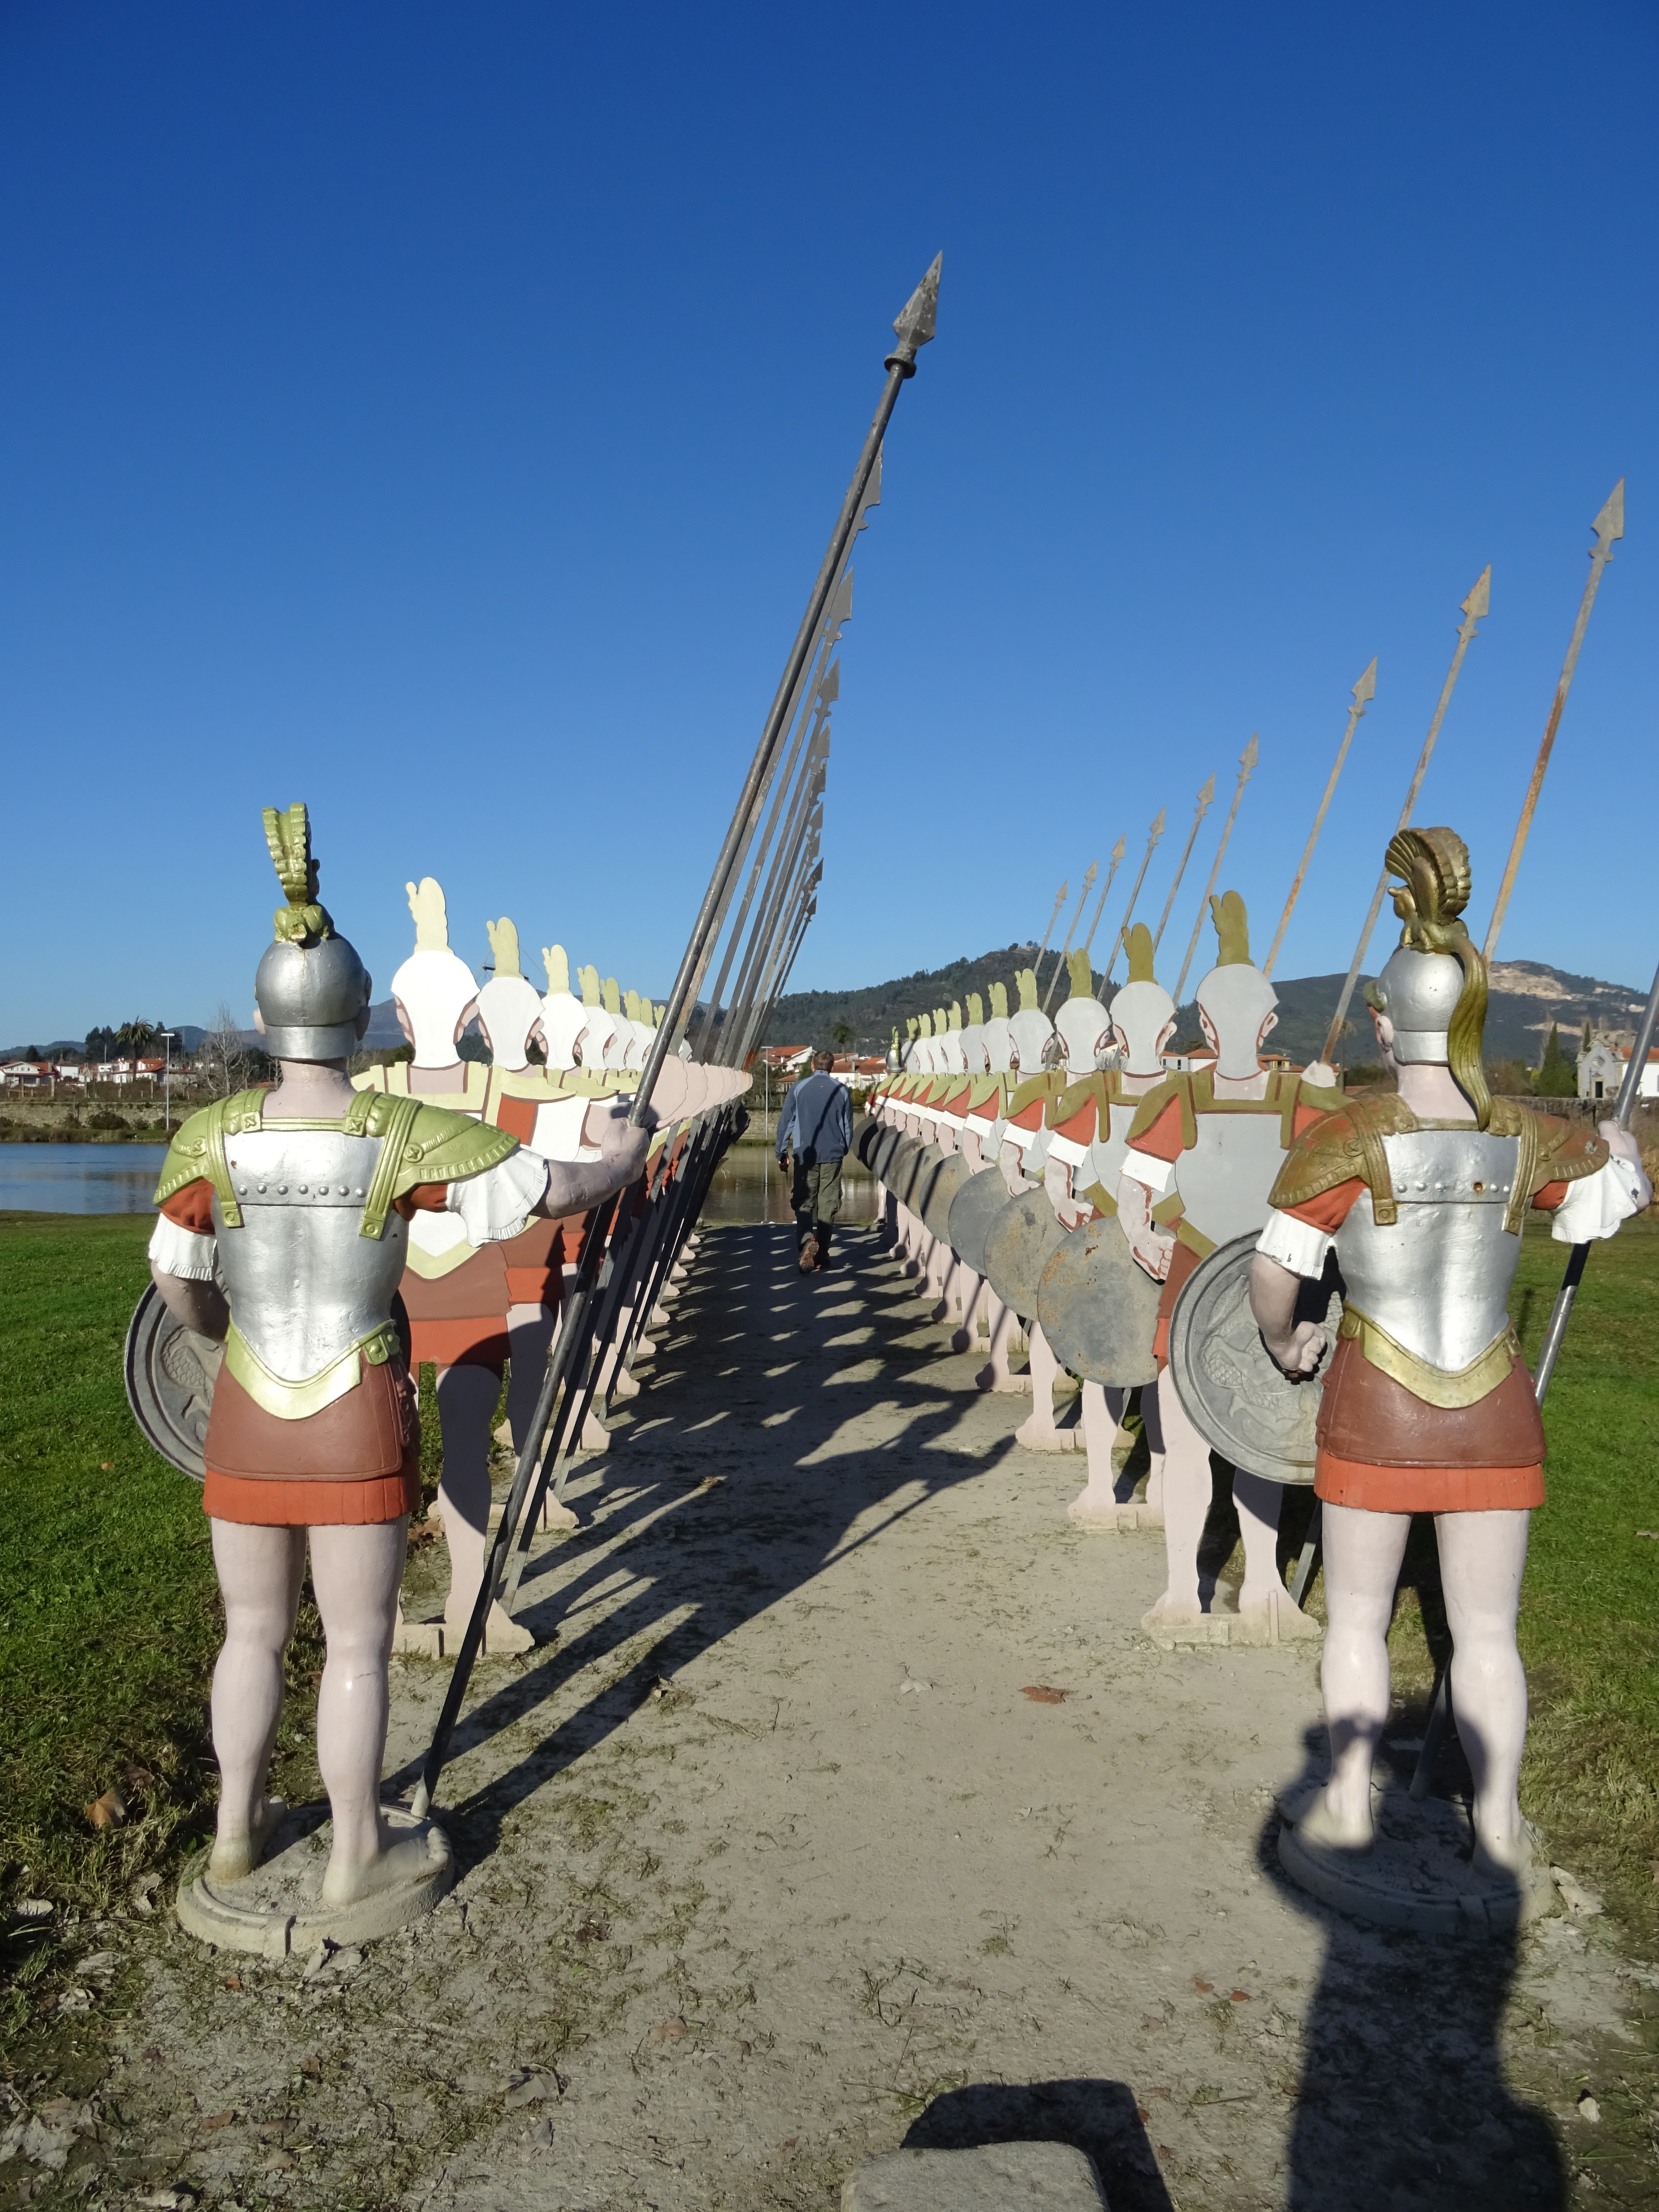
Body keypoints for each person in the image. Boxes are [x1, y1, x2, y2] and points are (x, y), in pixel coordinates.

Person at [146, 806, 654, 1912]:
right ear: (358, 1017)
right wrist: (619, 1161)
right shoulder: (401, 1131)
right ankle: (355, 1852)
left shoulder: (208, 1137)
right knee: (356, 1648)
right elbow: (546, 1190)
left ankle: (235, 1834)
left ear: (265, 1018)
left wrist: (219, 1334)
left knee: (251, 1633)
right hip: (354, 1412)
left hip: (246, 1408)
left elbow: (175, 1276)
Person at [1250, 826, 1649, 1881]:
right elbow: (1612, 1190)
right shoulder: (1525, 1134)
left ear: (1384, 1023)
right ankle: (1500, 1823)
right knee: (1487, 1634)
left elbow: (1275, 1270)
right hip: (1493, 1407)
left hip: (1374, 1404)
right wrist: (1619, 1148)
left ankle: (1347, 1807)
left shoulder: (1344, 1138)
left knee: (1358, 1619)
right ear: (1469, 1014)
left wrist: (1286, 1338)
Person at [775, 1046, 852, 1272]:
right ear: (832, 1068)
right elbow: (847, 1126)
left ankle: (808, 1242)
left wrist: (781, 1153)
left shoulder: (798, 1088)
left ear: (812, 1066)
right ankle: (823, 1256)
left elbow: (786, 1123)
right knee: (828, 1205)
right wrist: (843, 1150)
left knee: (804, 1203)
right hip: (832, 1156)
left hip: (805, 1156)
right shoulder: (843, 1091)